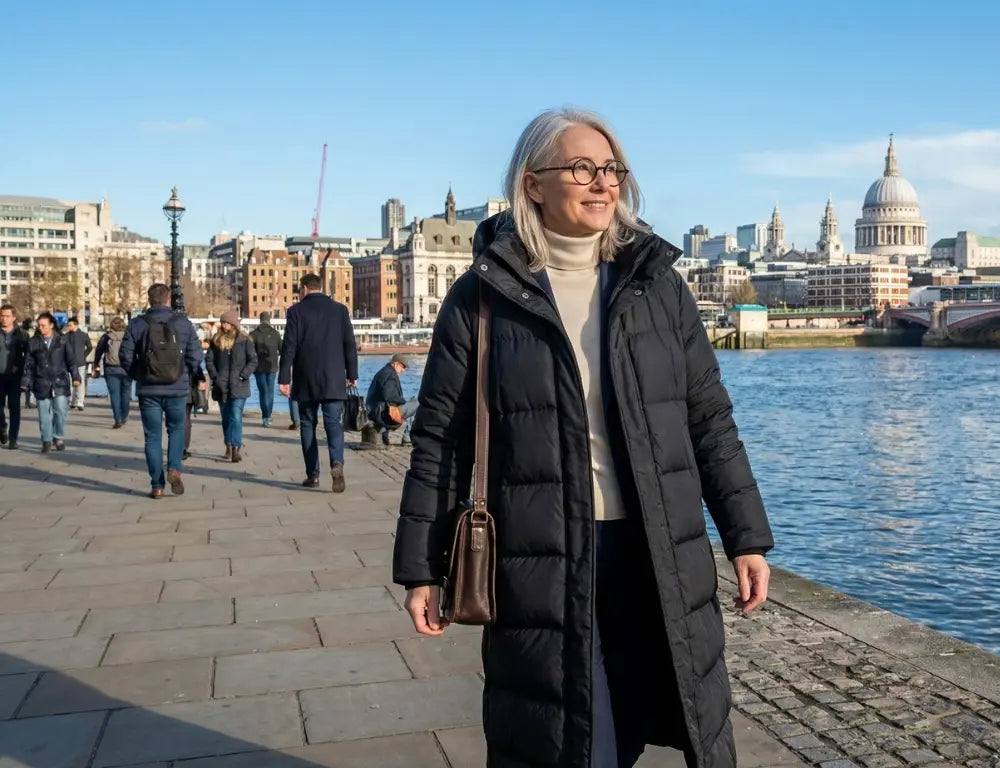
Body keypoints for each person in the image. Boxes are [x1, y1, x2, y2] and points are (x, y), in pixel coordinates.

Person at [392, 109, 774, 768]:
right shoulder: (481, 297)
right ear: (532, 184)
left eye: (612, 169)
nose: (603, 184)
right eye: (581, 168)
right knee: (566, 736)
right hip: (540, 555)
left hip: (654, 549)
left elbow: (708, 419)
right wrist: (422, 567)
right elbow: (440, 442)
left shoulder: (658, 286)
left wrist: (746, 536)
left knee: (634, 720)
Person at [120, 283, 203, 499]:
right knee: (176, 430)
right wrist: (185, 374)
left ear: (149, 300)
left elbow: (125, 356)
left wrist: (139, 375)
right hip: (177, 388)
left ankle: (157, 485)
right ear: (168, 300)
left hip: (149, 389)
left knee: (152, 436)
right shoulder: (183, 323)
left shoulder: (137, 324)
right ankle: (174, 468)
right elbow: (196, 356)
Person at [279, 273, 357, 492]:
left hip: (306, 378)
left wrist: (284, 378)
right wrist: (352, 373)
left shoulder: (295, 311)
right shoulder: (340, 310)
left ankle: (312, 475)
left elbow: (289, 346)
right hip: (334, 377)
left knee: (307, 424)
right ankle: (337, 462)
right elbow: (349, 343)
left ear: (304, 288)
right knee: (333, 423)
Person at [20, 312, 82, 453]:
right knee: (43, 414)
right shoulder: (33, 342)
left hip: (59, 381)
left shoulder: (62, 340)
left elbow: (71, 361)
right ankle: (46, 439)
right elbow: (28, 364)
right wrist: (25, 381)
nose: (41, 328)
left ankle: (57, 437)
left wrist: (76, 377)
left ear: (51, 325)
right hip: (41, 381)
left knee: (60, 410)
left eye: (44, 325)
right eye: (39, 325)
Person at [205, 309, 257, 462]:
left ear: (233, 324)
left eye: (226, 322)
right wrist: (215, 376)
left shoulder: (245, 341)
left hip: (239, 384)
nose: (223, 325)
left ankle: (235, 447)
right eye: (222, 322)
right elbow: (209, 360)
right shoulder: (216, 340)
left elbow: (253, 360)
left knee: (236, 416)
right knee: (226, 417)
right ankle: (228, 444)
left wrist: (243, 375)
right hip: (221, 385)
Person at [365, 354, 417, 446]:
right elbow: (388, 395)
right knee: (417, 403)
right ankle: (407, 437)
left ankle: (385, 433)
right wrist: (402, 401)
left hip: (375, 409)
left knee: (412, 400)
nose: (403, 370)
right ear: (396, 364)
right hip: (382, 413)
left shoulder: (384, 371)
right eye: (403, 367)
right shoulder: (391, 375)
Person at [92, 316, 132, 428]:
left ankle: (117, 419)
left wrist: (96, 364)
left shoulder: (106, 337)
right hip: (127, 369)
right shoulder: (128, 336)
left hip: (111, 369)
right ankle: (124, 415)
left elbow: (99, 351)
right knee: (126, 393)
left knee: (114, 394)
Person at [0, 305, 29, 449]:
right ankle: (2, 427)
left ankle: (13, 439)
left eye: (7, 316)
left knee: (14, 407)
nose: (4, 319)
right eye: (2, 316)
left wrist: (19, 365)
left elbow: (28, 356)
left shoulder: (22, 335)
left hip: (14, 377)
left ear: (13, 317)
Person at [249, 310, 282, 426]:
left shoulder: (253, 334)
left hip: (258, 367)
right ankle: (269, 415)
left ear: (260, 320)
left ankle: (265, 416)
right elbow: (282, 350)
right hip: (272, 366)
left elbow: (248, 351)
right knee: (270, 391)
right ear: (269, 320)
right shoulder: (276, 334)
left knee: (263, 391)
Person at [63, 318, 93, 411]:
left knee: (80, 382)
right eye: (68, 325)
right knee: (71, 382)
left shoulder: (83, 335)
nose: (69, 327)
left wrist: (84, 355)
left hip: (80, 362)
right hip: (70, 362)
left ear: (76, 325)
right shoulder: (66, 336)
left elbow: (90, 346)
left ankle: (80, 402)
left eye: (70, 325)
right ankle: (72, 402)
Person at [20, 317, 36, 408]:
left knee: (25, 380)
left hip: (23, 358)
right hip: (25, 358)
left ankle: (27, 401)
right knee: (28, 380)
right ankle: (28, 401)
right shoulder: (25, 333)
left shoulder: (22, 332)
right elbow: (26, 347)